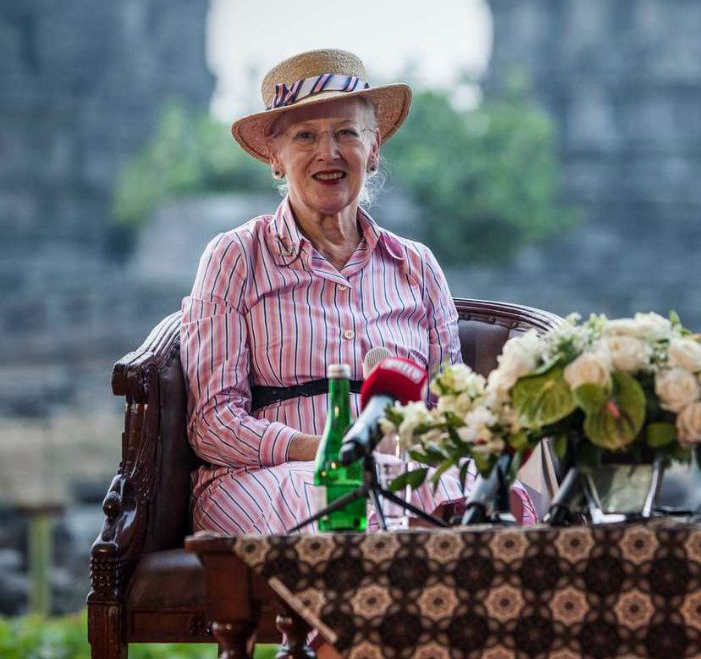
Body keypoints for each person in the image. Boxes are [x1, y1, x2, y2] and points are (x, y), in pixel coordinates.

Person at [182, 48, 536, 536]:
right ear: (275, 158)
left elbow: (452, 411)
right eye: (305, 136)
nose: (328, 152)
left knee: (489, 503)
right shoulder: (236, 257)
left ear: (373, 151)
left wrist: (418, 446)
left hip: (400, 469)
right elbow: (213, 424)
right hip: (261, 475)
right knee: (349, 495)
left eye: (346, 133)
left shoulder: (417, 266)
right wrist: (332, 447)